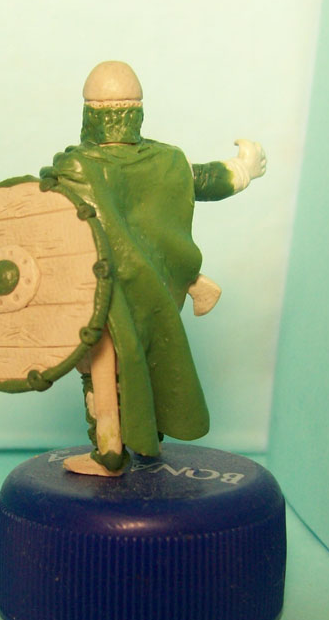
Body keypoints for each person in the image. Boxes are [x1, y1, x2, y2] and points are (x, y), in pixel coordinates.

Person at [42, 61, 266, 476]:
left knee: (101, 370)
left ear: (89, 114)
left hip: (104, 297)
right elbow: (206, 180)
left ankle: (109, 452)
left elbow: (43, 216)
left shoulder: (74, 168)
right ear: (136, 112)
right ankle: (148, 440)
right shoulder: (168, 161)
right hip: (155, 292)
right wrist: (244, 169)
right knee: (150, 357)